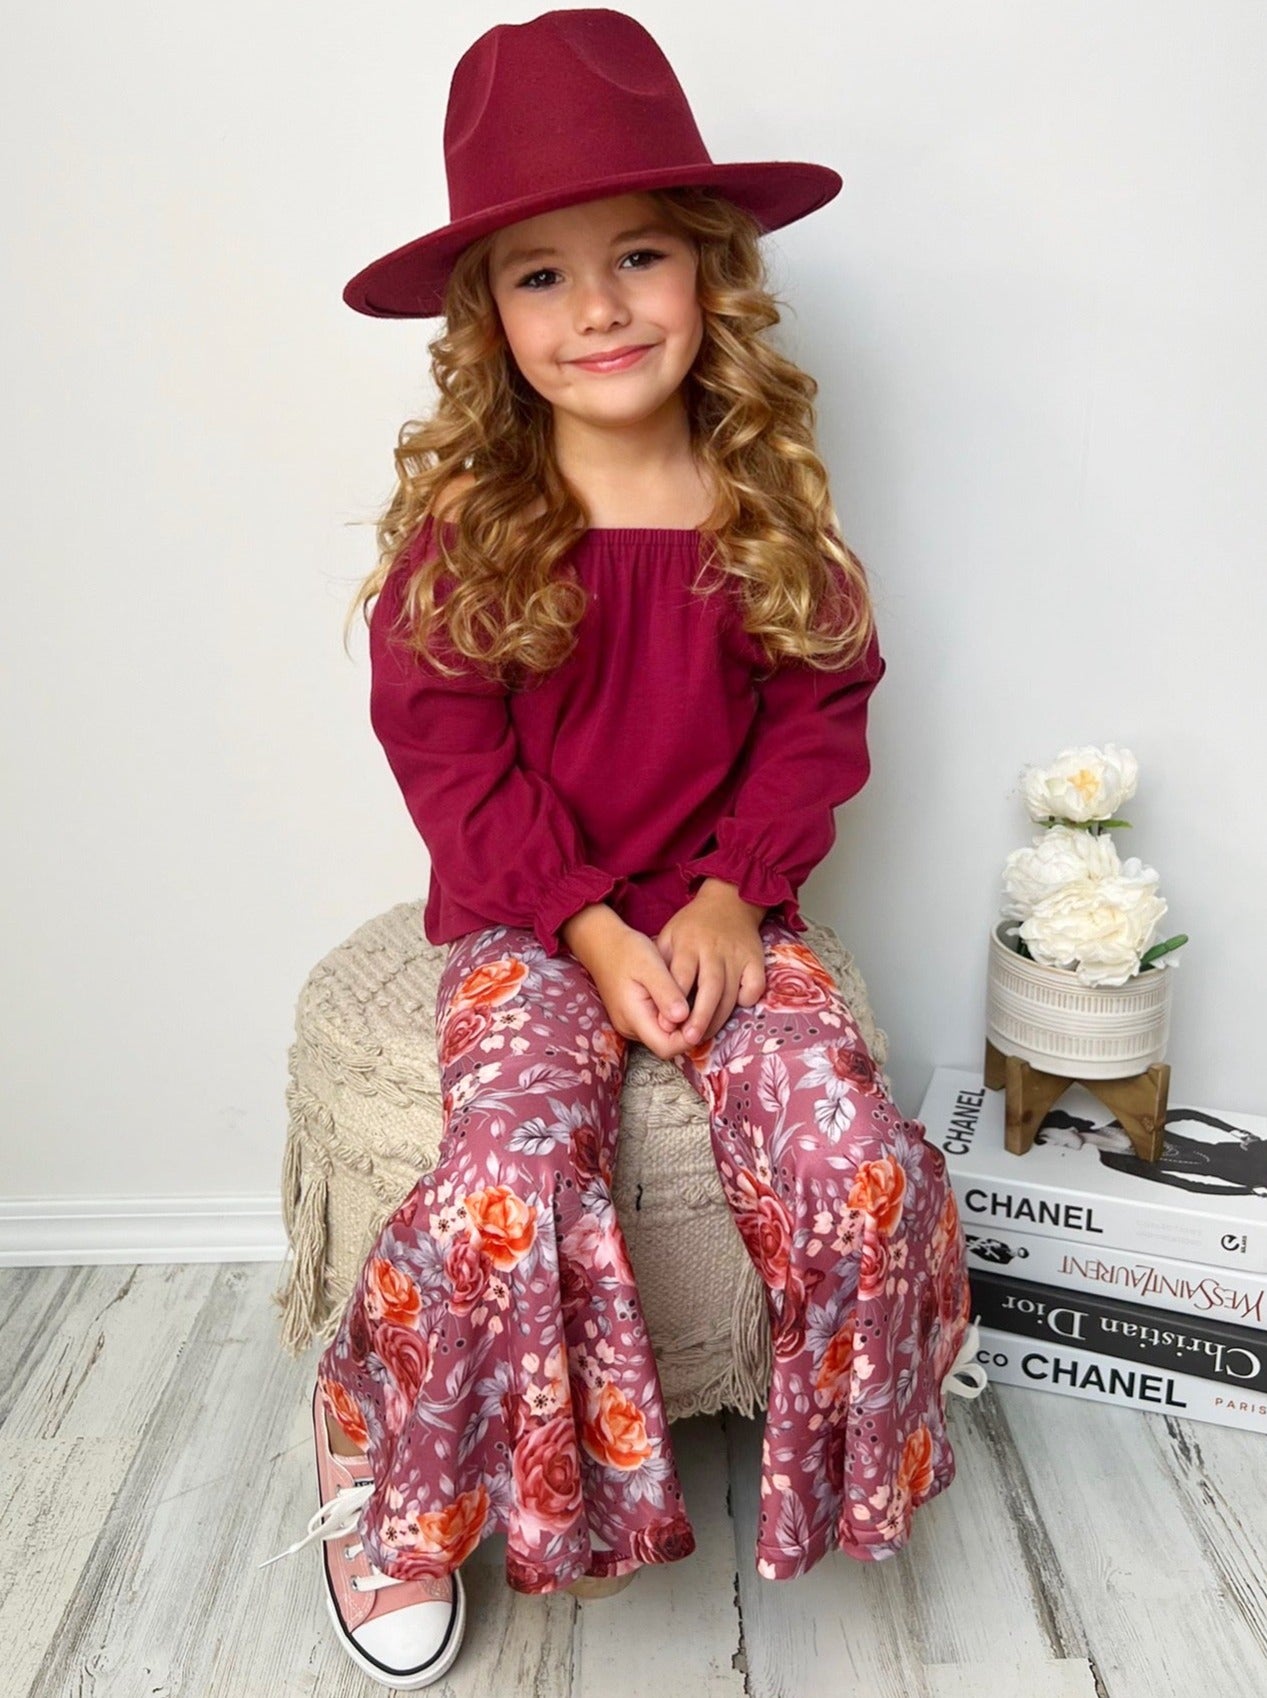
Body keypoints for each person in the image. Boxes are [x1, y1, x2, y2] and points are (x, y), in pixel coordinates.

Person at [259, 8, 986, 1688]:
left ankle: (848, 1450)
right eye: (542, 274)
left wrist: (734, 893)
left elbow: (821, 711)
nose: (597, 308)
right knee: (508, 1178)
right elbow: (450, 757)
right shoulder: (476, 530)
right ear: (489, 320)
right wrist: (587, 924)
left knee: (857, 1163)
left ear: (709, 272)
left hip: (730, 906)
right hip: (533, 920)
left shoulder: (767, 508)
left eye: (638, 255)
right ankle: (378, 1436)